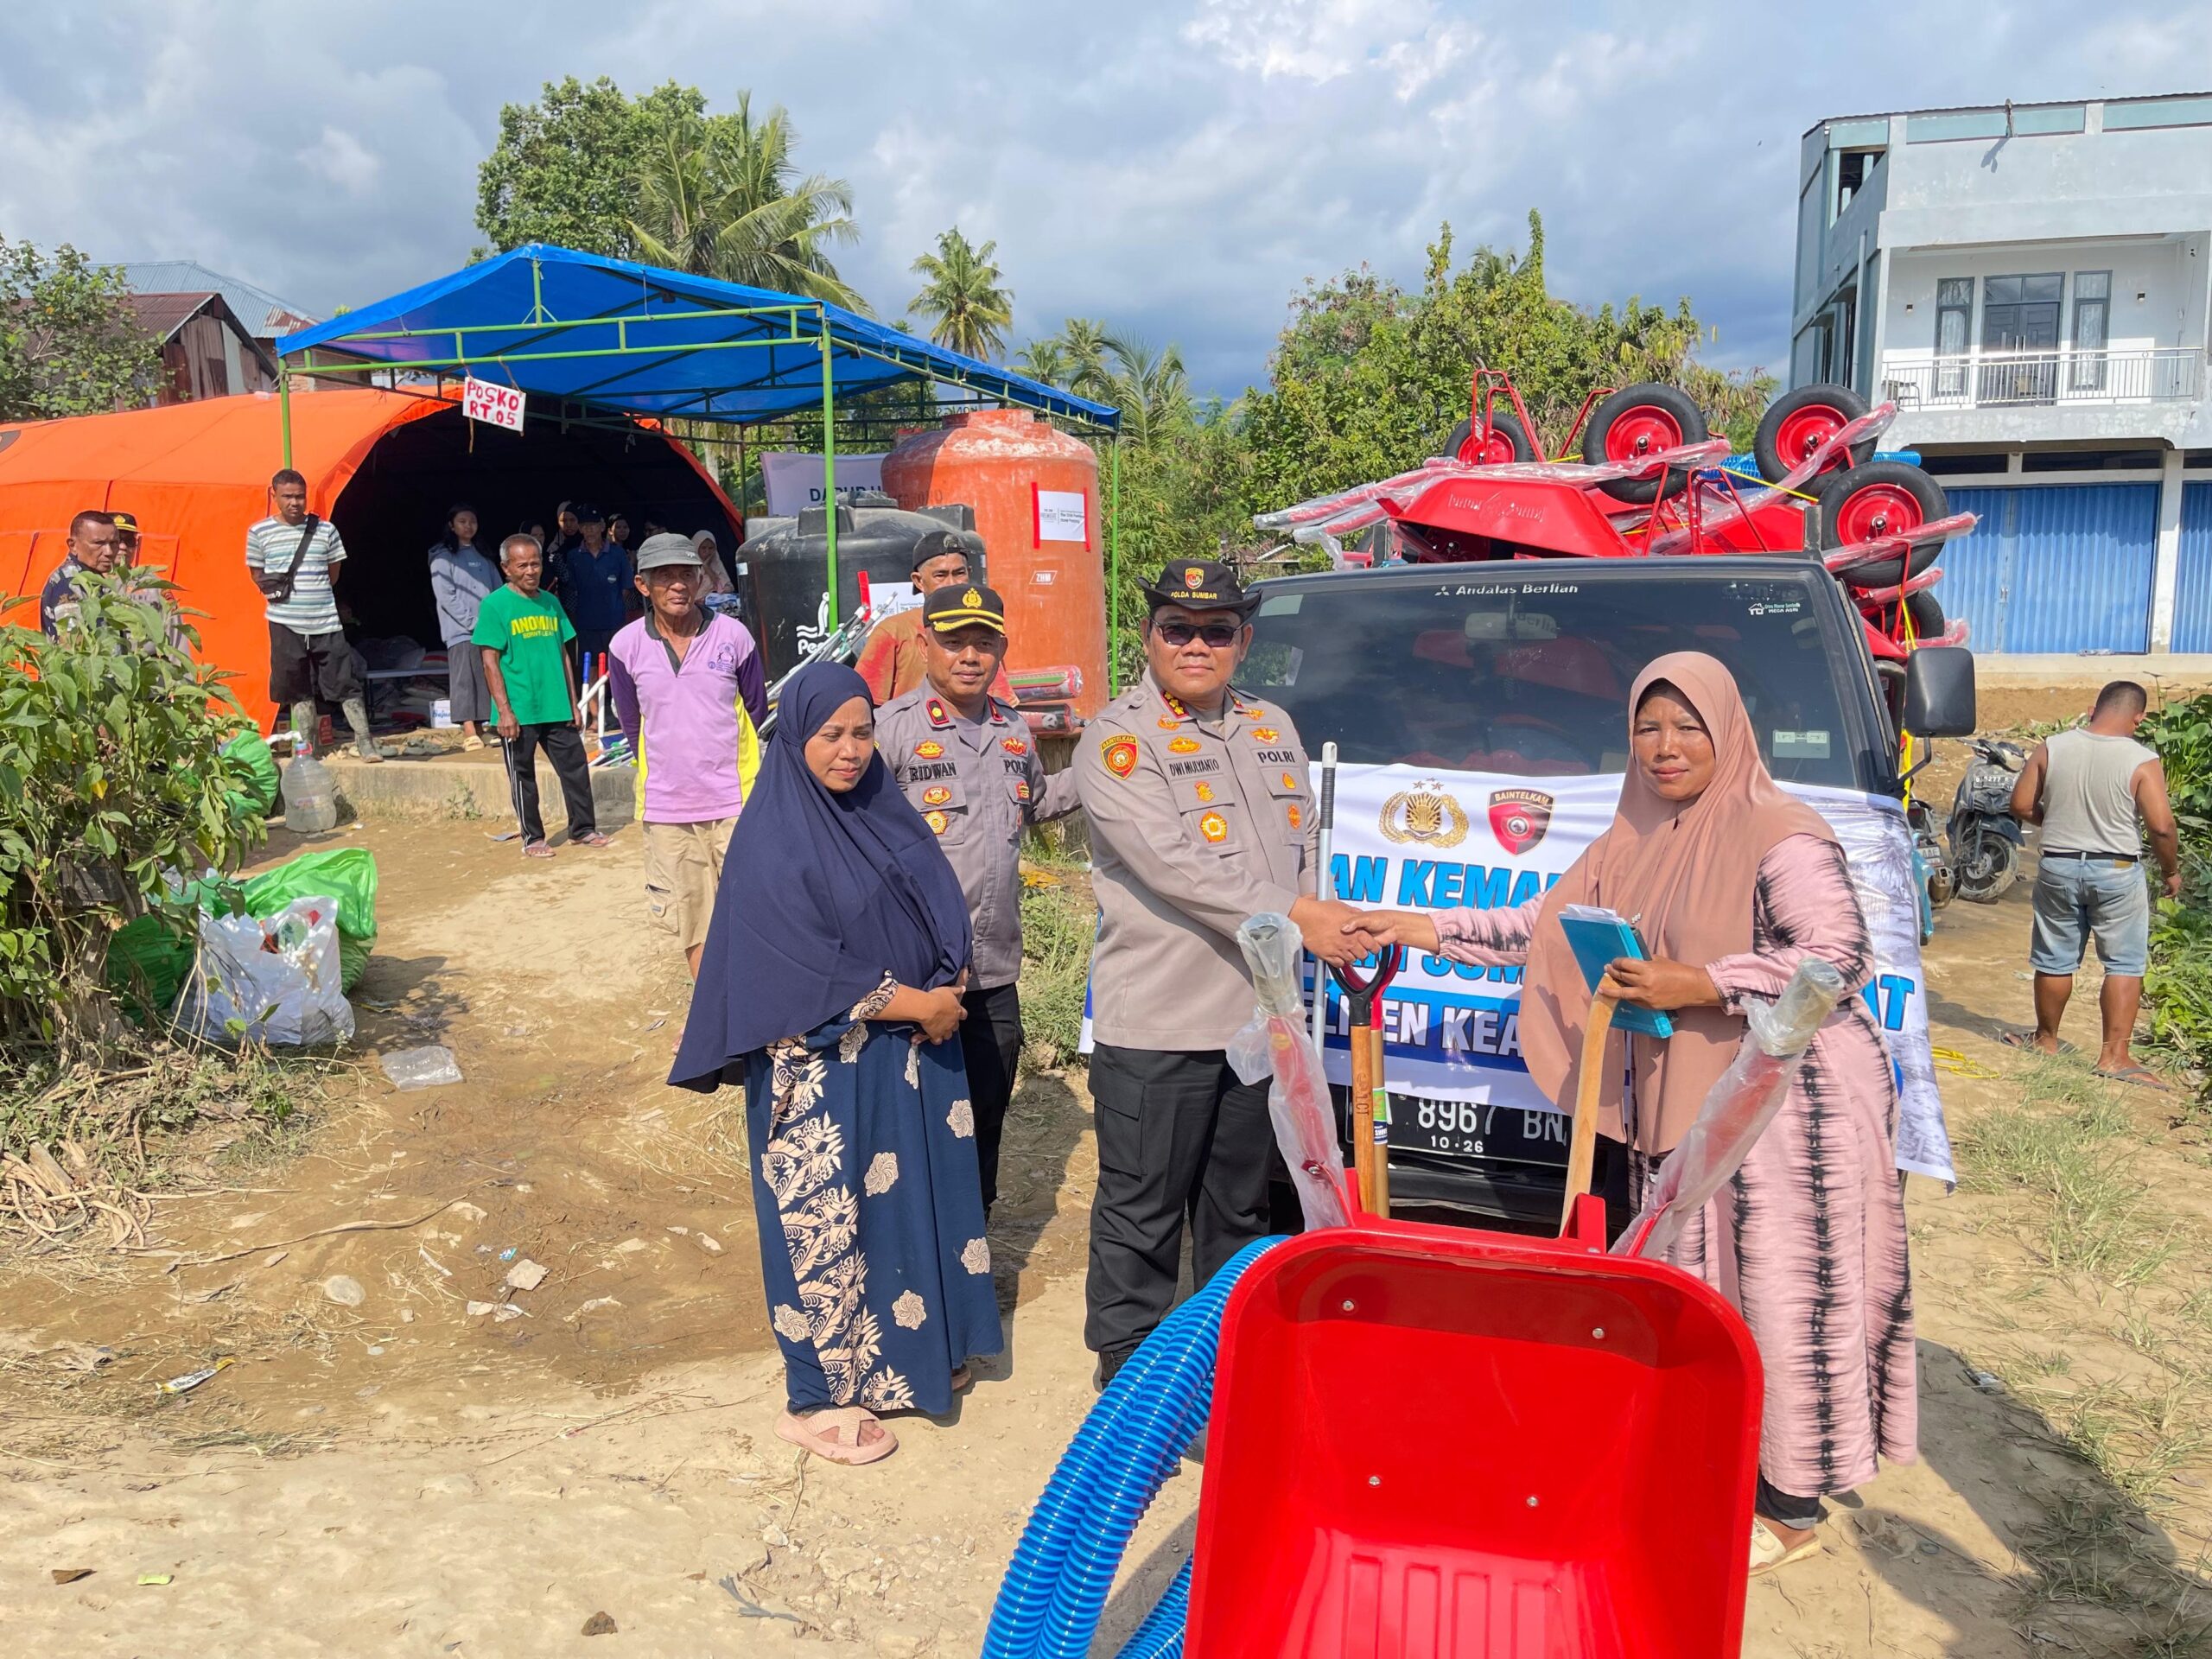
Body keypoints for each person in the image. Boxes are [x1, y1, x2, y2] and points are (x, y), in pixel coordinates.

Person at [1350, 652, 1916, 1577]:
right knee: (1697, 1290)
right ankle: (1720, 1457)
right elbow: (1543, 925)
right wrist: (1420, 927)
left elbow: (1837, 956)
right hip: (1686, 1098)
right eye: (1647, 728)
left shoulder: (1780, 833)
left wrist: (1704, 981)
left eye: (1688, 727)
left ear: (1728, 733)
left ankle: (1790, 1506)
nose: (1665, 747)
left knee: (1781, 1296)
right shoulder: (1632, 837)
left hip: (1788, 1110)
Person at [671, 662, 1002, 1465]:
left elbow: (935, 900)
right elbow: (799, 968)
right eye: (830, 735)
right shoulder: (773, 838)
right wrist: (920, 1003)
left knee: (906, 1206)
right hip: (821, 1071)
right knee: (827, 1222)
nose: (850, 752)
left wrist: (949, 980)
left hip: (907, 1056)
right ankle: (818, 1393)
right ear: (795, 739)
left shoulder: (880, 810)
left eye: (862, 734)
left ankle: (909, 1358)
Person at [1075, 559, 1362, 1386]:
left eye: (1217, 631)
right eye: (1178, 628)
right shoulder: (1117, 740)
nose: (1196, 645)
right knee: (1143, 1211)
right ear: (1148, 635)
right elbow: (1178, 869)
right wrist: (1302, 916)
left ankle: (1224, 1366)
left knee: (1237, 1209)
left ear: (1245, 640)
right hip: (1160, 1022)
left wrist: (1318, 921)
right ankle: (1130, 1382)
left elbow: (1304, 848)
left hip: (1255, 1021)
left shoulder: (1273, 726)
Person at [878, 583, 1083, 1215]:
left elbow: (1039, 803)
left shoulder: (1013, 729)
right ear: (926, 645)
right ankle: (919, 1242)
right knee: (914, 1119)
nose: (969, 656)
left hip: (994, 971)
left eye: (984, 643)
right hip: (918, 975)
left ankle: (975, 1235)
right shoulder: (891, 731)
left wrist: (1108, 764)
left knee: (987, 1112)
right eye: (954, 641)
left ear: (1001, 650)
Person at [2005, 680, 2182, 1087]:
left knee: (2054, 958)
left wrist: (2058, 823)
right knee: (2124, 963)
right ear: (2138, 718)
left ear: (2092, 709)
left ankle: (2045, 1040)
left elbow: (2020, 804)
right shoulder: (2141, 759)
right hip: (2116, 870)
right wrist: (2170, 870)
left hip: (2059, 866)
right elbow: (2161, 826)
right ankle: (2114, 1057)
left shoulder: (2053, 746)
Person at [607, 534, 768, 977]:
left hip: (735, 801)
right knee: (692, 919)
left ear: (700, 580)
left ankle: (755, 1005)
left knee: (753, 910)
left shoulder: (733, 636)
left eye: (686, 575)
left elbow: (755, 711)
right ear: (643, 585)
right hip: (667, 808)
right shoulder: (625, 646)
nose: (678, 585)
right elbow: (633, 724)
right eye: (665, 577)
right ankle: (710, 1009)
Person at [474, 533, 609, 858]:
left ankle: (583, 829)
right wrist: (504, 711)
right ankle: (533, 837)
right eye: (522, 565)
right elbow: (489, 662)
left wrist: (574, 703)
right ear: (506, 568)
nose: (531, 571)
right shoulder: (494, 605)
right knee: (523, 776)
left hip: (556, 704)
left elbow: (563, 654)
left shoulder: (551, 602)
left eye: (535, 564)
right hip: (519, 709)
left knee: (575, 769)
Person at [245, 468, 379, 761]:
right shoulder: (258, 532)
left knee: (345, 681)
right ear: (274, 495)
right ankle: (306, 749)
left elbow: (333, 574)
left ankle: (365, 742)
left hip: (325, 619)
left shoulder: (326, 530)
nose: (294, 502)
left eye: (299, 496)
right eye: (287, 496)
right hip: (284, 621)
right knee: (296, 687)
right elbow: (257, 574)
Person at [855, 529, 995, 704]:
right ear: (919, 581)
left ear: (969, 573)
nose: (952, 584)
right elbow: (864, 703)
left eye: (959, 573)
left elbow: (997, 700)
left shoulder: (982, 626)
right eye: (940, 575)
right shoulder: (893, 631)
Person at [427, 503, 501, 750]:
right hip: (461, 630)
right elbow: (446, 596)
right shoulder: (442, 557)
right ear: (452, 525)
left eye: (473, 521)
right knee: (464, 679)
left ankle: (482, 727)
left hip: (487, 629)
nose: (468, 526)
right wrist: (471, 622)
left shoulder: (484, 556)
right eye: (462, 521)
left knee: (485, 676)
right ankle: (468, 730)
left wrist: (494, 622)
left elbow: (497, 591)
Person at [552, 503, 633, 677]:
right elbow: (572, 588)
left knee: (617, 669)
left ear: (602, 527)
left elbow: (626, 588)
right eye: (585, 526)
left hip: (614, 623)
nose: (589, 530)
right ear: (580, 529)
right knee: (590, 670)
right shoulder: (573, 556)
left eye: (593, 525)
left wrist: (611, 606)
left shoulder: (618, 553)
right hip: (586, 624)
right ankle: (592, 698)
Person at [39, 509, 118, 636]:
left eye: (114, 543)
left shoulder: (91, 577)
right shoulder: (69, 584)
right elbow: (72, 642)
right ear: (73, 546)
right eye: (98, 543)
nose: (109, 552)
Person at [693, 529, 742, 620]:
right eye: (703, 548)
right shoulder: (690, 567)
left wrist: (707, 567)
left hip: (715, 612)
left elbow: (725, 589)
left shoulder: (716, 565)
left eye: (711, 548)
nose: (707, 551)